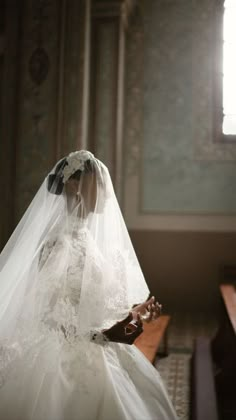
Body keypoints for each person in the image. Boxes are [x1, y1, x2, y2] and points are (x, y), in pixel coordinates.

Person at [0, 150, 177, 420]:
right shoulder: (58, 244)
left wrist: (135, 313)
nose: (106, 193)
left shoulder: (86, 237)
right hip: (68, 359)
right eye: (100, 183)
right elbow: (51, 317)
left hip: (98, 343)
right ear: (74, 185)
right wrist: (103, 333)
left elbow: (89, 300)